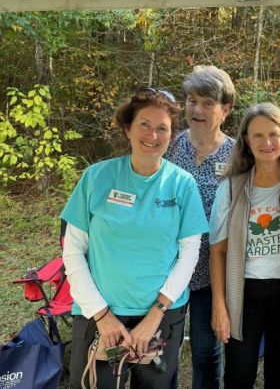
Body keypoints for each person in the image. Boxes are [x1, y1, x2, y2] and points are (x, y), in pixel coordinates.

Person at [61, 87, 208, 389]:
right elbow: (73, 250)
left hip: (161, 314)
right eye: (144, 124)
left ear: (171, 135)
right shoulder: (96, 178)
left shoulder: (183, 185)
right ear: (127, 128)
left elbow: (189, 254)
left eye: (162, 128)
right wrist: (102, 315)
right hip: (98, 313)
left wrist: (155, 316)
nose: (153, 135)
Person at [209, 103, 280, 388]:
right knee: (239, 375)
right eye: (258, 135)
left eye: (274, 134)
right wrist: (219, 306)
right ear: (246, 141)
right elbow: (218, 250)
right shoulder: (230, 188)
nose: (267, 143)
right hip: (244, 293)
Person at [165, 65, 236, 388]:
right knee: (163, 349)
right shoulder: (170, 144)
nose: (197, 109)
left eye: (208, 103)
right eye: (192, 100)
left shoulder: (238, 154)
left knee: (206, 350)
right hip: (168, 266)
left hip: (213, 269)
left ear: (226, 109)